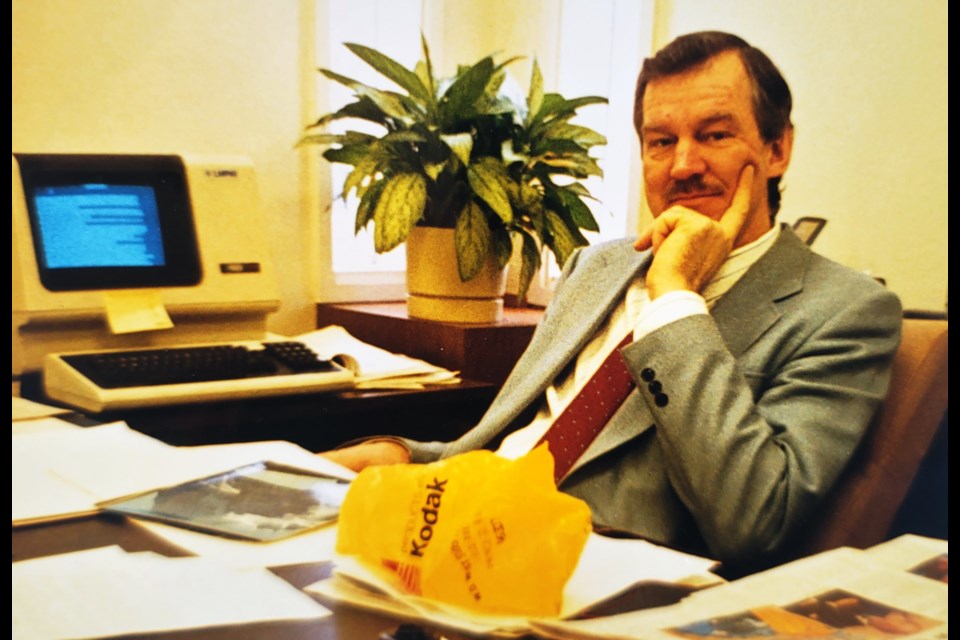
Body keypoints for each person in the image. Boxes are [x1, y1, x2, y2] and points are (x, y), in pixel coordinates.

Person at [322, 31, 902, 569]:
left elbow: (752, 522)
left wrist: (675, 300)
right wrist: (401, 457)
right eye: (661, 141)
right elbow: (510, 447)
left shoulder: (845, 311)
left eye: (715, 135)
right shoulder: (599, 265)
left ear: (777, 150)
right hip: (456, 529)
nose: (683, 165)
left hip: (588, 580)